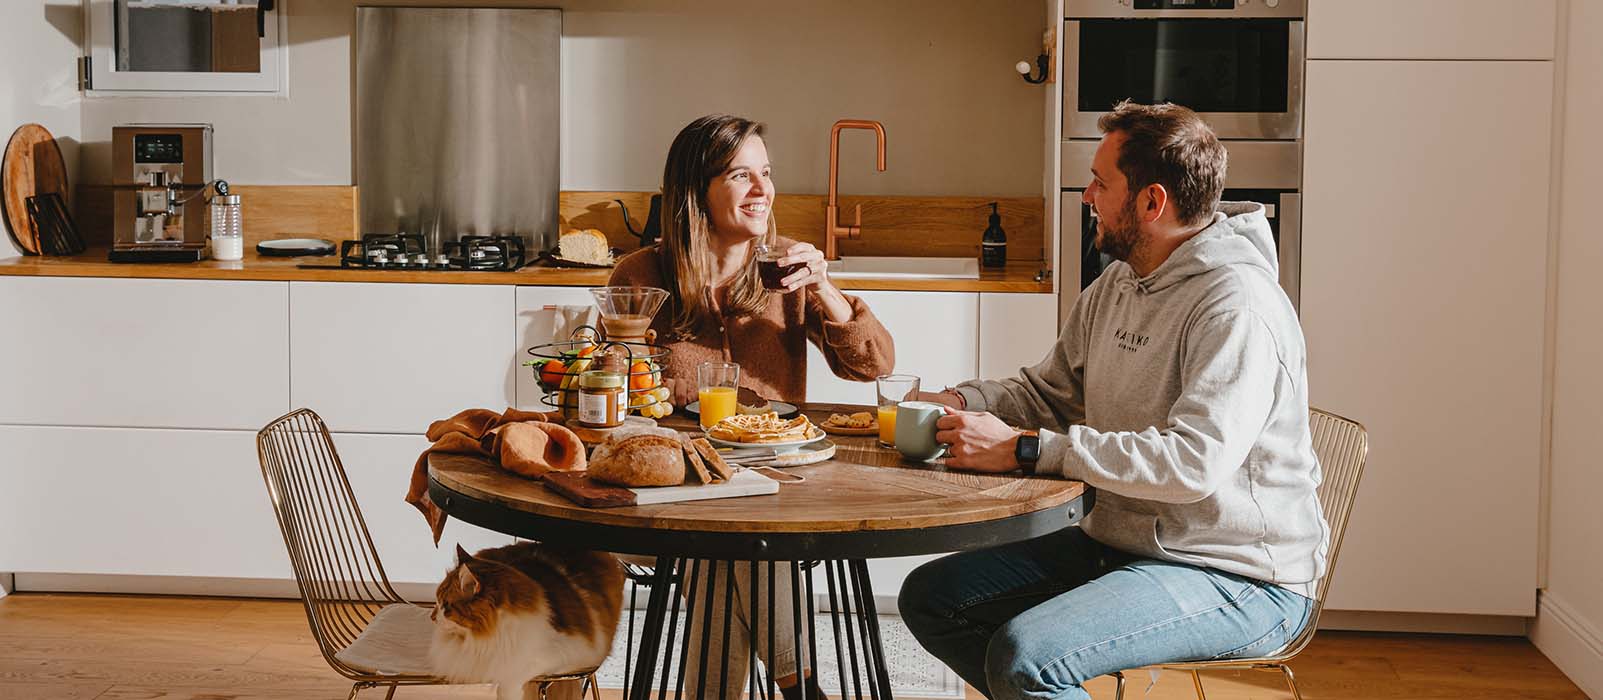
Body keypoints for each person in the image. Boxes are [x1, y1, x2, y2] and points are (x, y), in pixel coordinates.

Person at [897, 101, 1328, 700]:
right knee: (933, 598)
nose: (1087, 196)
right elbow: (1048, 393)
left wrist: (1026, 451)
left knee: (1026, 659)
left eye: (1101, 183)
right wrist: (962, 398)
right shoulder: (1119, 283)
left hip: (1236, 573)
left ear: (1152, 202)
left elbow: (1191, 465)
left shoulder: (1236, 307)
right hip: (1120, 541)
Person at [608, 114, 895, 700]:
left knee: (730, 547)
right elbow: (612, 396)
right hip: (672, 490)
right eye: (742, 175)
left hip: (776, 485)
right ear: (697, 190)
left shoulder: (787, 267)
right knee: (733, 539)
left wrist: (826, 289)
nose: (764, 190)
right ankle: (800, 685)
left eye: (766, 173)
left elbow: (874, 365)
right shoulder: (642, 276)